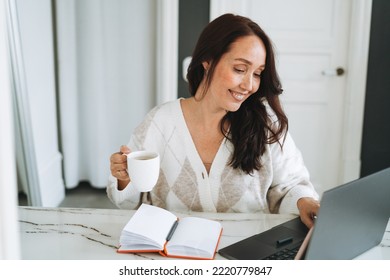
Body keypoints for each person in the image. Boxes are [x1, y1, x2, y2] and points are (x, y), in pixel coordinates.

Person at [107, 13, 320, 228]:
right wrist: (125, 178)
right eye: (240, 69)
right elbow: (131, 205)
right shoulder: (159, 122)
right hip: (175, 254)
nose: (249, 85)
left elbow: (292, 185)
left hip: (247, 251)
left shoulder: (266, 126)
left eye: (257, 74)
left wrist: (304, 201)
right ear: (207, 61)